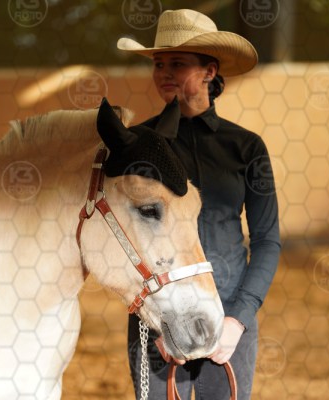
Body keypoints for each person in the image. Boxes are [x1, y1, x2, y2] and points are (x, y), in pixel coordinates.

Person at [117, 8, 281, 400]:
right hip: (157, 323)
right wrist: (156, 320)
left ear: (210, 71)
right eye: (159, 64)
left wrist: (238, 320)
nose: (164, 73)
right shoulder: (136, 144)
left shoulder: (246, 147)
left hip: (228, 320)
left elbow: (267, 241)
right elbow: (121, 239)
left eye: (177, 63)